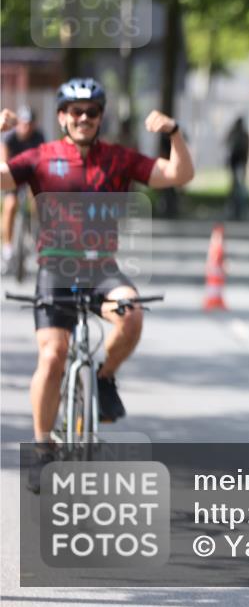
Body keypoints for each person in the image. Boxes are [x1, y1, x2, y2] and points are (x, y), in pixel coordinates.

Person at [0, 78, 195, 492]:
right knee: (52, 355)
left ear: (100, 117)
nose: (84, 118)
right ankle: (43, 448)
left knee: (132, 313)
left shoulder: (119, 159)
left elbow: (179, 173)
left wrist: (174, 133)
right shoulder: (41, 156)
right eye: (76, 111)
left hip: (102, 269)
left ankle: (104, 378)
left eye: (92, 111)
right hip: (56, 269)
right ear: (61, 117)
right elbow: (2, 180)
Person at [1, 106, 45, 274]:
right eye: (23, 123)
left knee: (38, 201)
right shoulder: (9, 137)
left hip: (31, 176)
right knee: (10, 205)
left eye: (29, 124)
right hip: (12, 175)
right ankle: (7, 248)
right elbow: (3, 161)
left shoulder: (39, 137)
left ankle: (36, 233)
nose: (26, 127)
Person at [225, 116, 249, 220]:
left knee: (238, 187)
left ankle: (239, 210)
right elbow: (226, 142)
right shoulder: (236, 134)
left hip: (239, 163)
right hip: (235, 163)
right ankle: (234, 210)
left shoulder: (243, 135)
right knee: (235, 187)